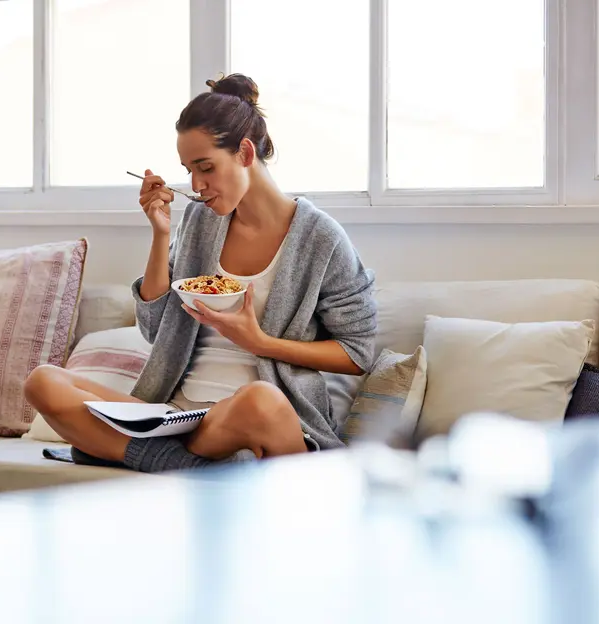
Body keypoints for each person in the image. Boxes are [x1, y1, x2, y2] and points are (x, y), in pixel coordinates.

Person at [24, 74, 377, 472]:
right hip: (175, 416)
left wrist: (260, 342)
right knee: (44, 382)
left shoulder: (320, 238)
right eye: (189, 170)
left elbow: (357, 353)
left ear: (245, 153)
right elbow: (154, 331)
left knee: (260, 400)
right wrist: (161, 233)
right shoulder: (200, 220)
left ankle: (138, 454)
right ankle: (191, 466)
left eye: (205, 167)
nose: (196, 185)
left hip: (256, 415)